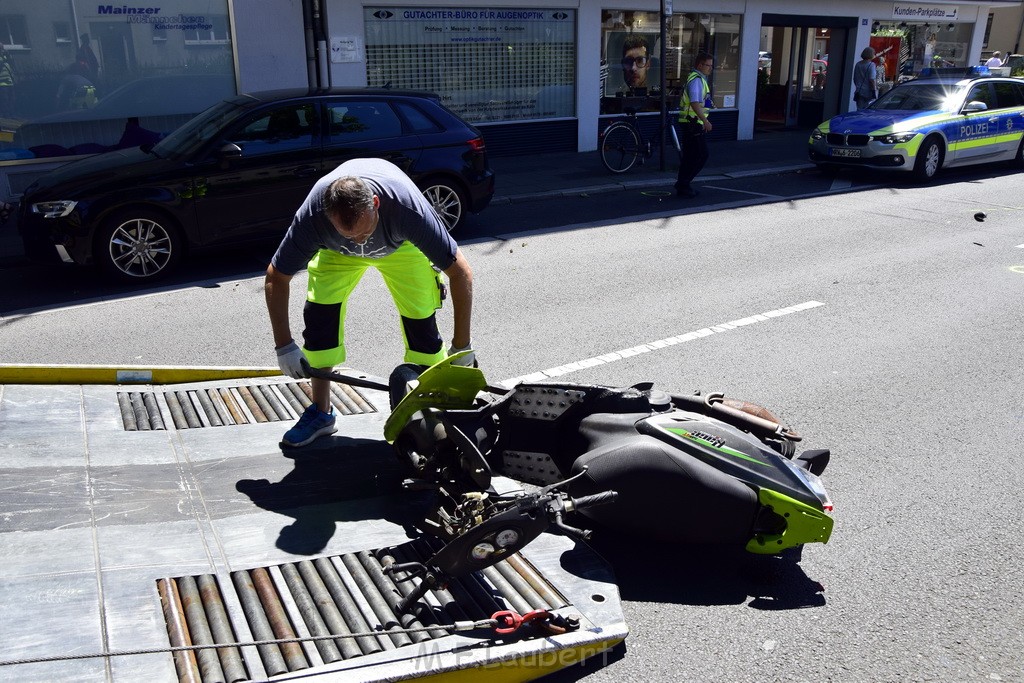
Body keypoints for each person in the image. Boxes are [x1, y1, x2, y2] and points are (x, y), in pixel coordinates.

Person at [265, 157, 475, 448]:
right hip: (336, 254)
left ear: (375, 203)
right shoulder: (313, 216)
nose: (360, 242)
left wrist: (462, 344)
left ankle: (431, 412)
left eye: (364, 232)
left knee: (421, 321)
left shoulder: (406, 209)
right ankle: (321, 414)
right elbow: (276, 277)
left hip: (401, 248)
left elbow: (460, 271)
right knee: (320, 315)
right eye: (348, 233)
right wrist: (284, 345)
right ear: (329, 217)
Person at [675, 51, 714, 199]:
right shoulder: (696, 80)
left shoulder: (699, 79)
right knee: (701, 155)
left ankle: (683, 185)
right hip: (692, 123)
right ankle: (683, 184)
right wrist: (705, 121)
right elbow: (694, 102)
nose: (710, 68)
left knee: (690, 156)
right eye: (708, 65)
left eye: (711, 66)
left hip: (691, 122)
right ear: (700, 65)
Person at [0, 44, 14, 117]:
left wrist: (8, 55)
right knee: (4, 99)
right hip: (2, 83)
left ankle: (11, 114)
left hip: (10, 81)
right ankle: (5, 115)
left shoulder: (5, 56)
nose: (2, 49)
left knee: (11, 99)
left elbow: (12, 63)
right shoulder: (2, 57)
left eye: (2, 48)